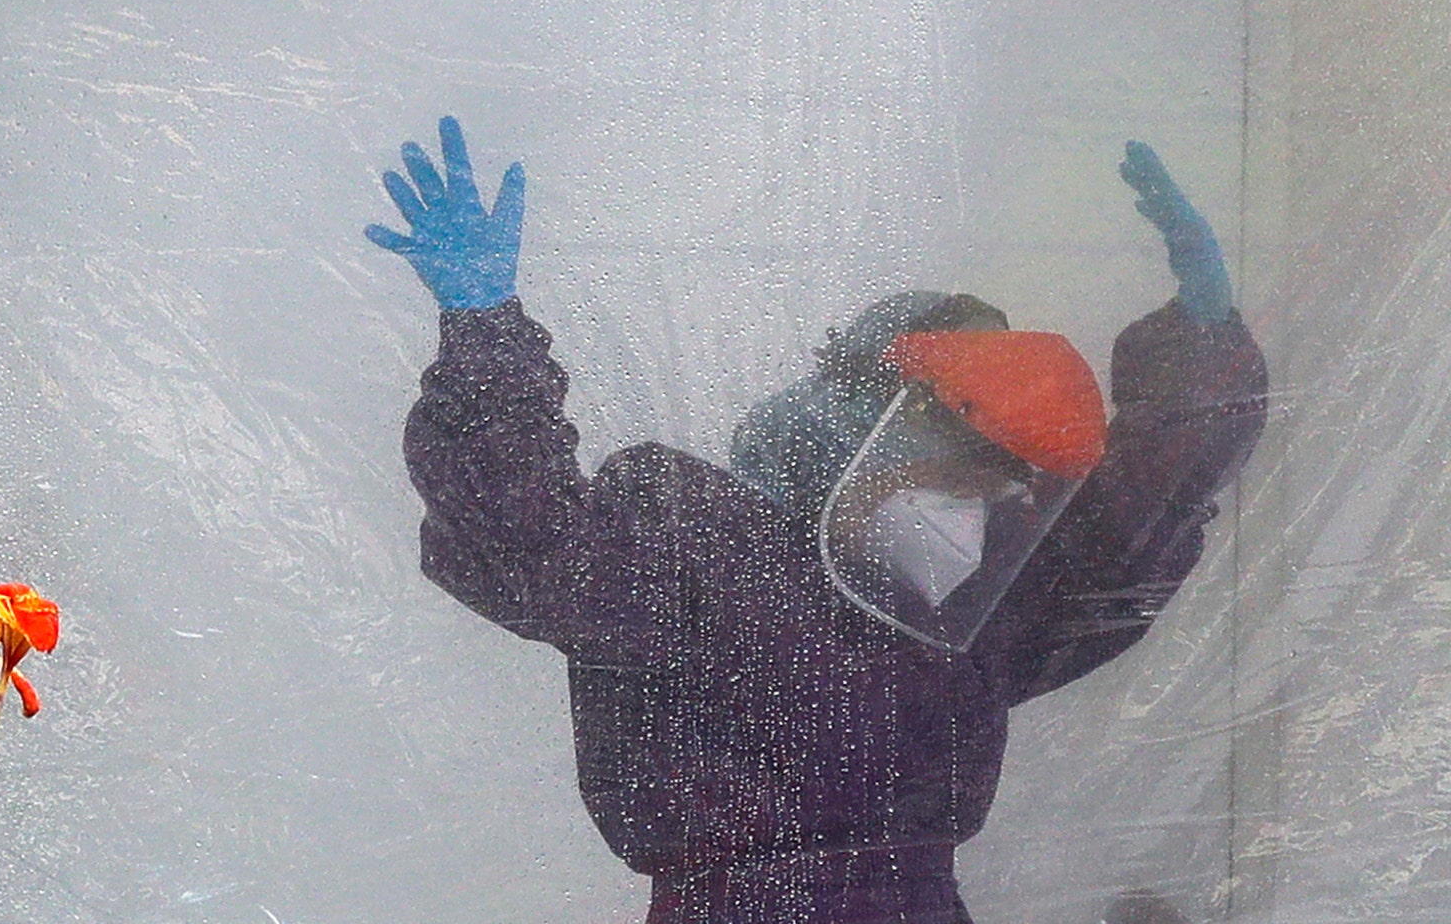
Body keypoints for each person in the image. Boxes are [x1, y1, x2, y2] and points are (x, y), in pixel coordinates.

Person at [365, 116, 1266, 924]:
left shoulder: (963, 609)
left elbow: (1121, 549)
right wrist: (482, 328)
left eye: (996, 488)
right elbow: (524, 532)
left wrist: (1203, 339)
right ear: (854, 436)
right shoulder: (698, 545)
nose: (970, 509)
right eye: (949, 469)